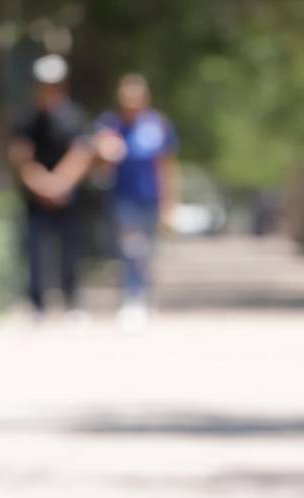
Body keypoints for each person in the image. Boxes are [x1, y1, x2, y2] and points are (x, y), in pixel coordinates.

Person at [93, 74, 180, 327]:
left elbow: (166, 167)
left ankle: (145, 296)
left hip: (150, 198)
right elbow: (95, 162)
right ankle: (131, 299)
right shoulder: (110, 126)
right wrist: (104, 153)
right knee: (130, 249)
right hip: (123, 198)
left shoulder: (158, 125)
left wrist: (170, 204)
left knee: (148, 251)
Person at [8, 55, 91, 315]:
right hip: (36, 196)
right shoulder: (27, 118)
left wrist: (61, 183)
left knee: (71, 251)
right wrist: (42, 184)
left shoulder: (75, 116)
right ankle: (37, 305)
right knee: (34, 250)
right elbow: (21, 157)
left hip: (68, 195)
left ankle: (72, 300)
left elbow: (82, 153)